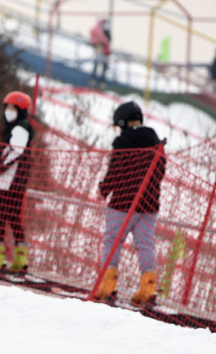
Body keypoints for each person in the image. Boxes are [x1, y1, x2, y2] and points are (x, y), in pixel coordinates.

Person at [94, 101, 166, 306]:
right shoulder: (156, 141)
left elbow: (115, 171)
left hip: (123, 203)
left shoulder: (122, 141)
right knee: (145, 245)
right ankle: (148, 290)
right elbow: (160, 171)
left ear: (123, 121)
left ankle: (107, 288)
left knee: (111, 242)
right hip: (150, 204)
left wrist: (104, 189)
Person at [0, 91, 34, 273]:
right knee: (13, 219)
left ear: (21, 111)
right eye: (7, 107)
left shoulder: (20, 128)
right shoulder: (19, 127)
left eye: (13, 108)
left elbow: (15, 151)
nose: (9, 111)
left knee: (0, 218)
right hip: (15, 182)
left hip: (9, 182)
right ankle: (21, 258)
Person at [89, 19, 111, 87]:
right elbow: (105, 40)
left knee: (97, 64)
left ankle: (94, 79)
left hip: (98, 48)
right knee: (101, 64)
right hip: (102, 48)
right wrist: (106, 41)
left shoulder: (95, 29)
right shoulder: (101, 30)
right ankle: (100, 81)